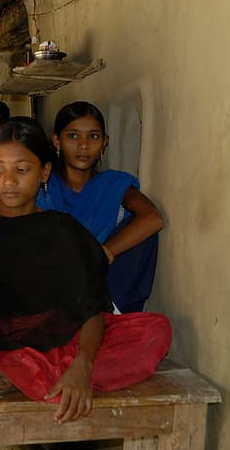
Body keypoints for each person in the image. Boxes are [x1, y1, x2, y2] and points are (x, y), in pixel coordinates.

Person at [0, 117, 171, 424]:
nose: (8, 181)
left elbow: (91, 308)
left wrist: (83, 366)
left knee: (156, 331)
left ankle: (19, 377)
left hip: (59, 343)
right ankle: (28, 377)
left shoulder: (63, 229)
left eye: (22, 170)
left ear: (44, 171)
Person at [37, 102, 164, 312]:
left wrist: (103, 252)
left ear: (105, 142)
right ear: (56, 140)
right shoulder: (44, 185)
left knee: (141, 229)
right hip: (53, 282)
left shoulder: (112, 183)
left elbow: (153, 219)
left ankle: (111, 311)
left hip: (102, 281)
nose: (84, 145)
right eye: (73, 136)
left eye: (93, 136)